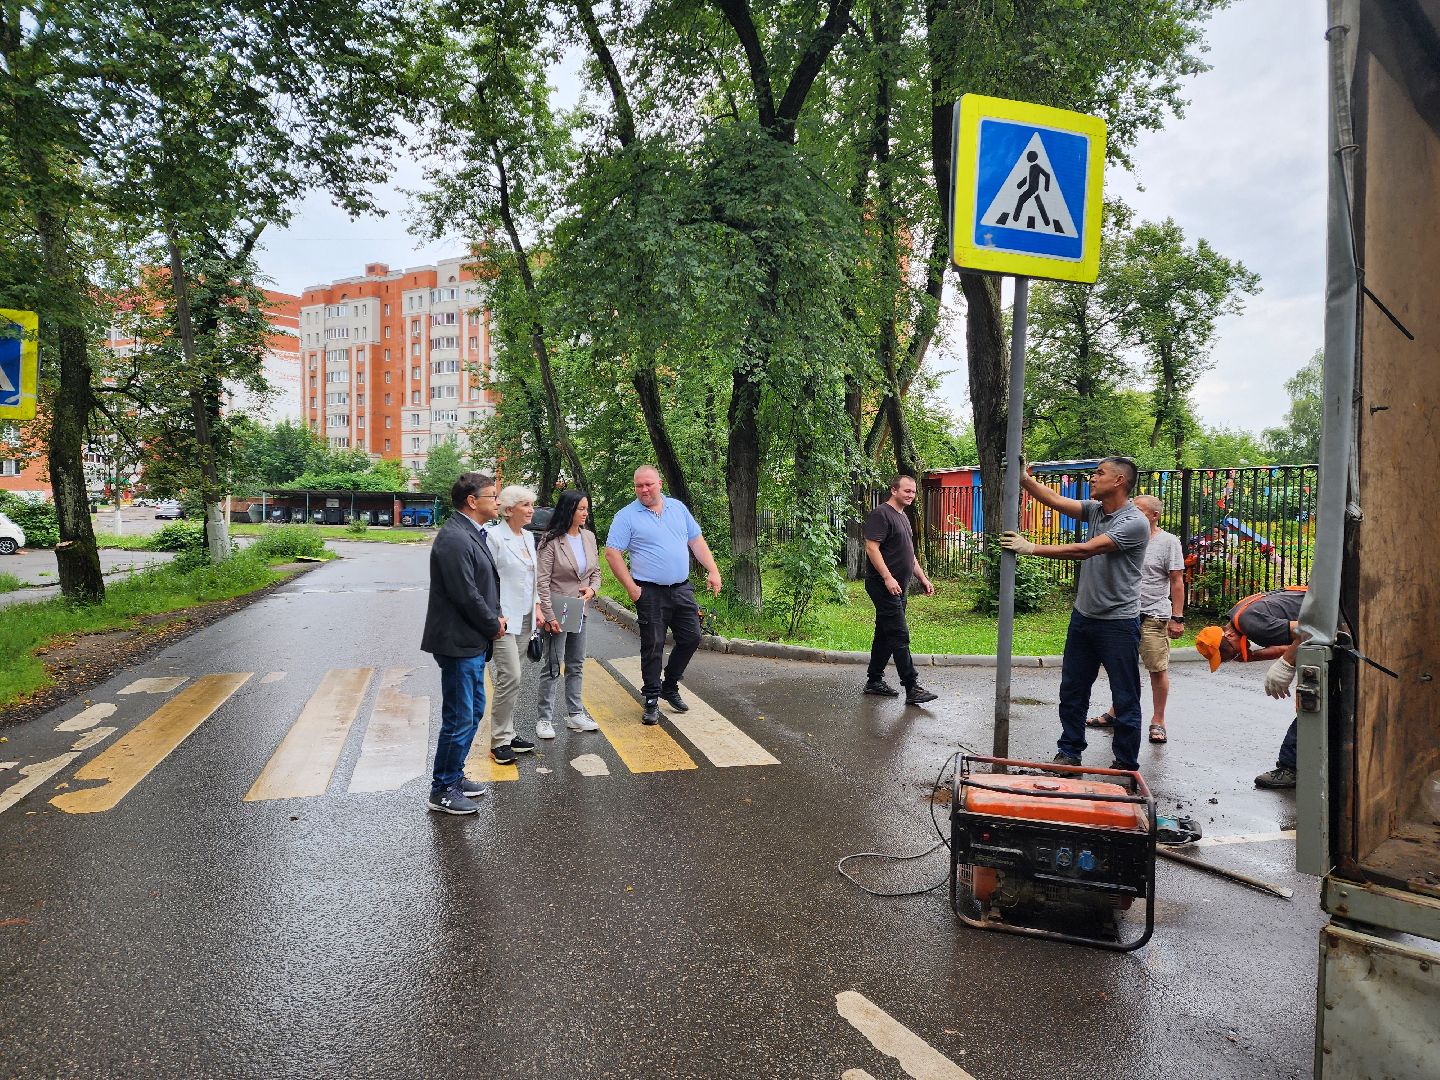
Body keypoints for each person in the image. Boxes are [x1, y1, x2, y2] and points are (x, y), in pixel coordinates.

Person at [1000, 457, 1149, 771]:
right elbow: (1055, 500)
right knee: (1072, 689)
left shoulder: (1134, 522)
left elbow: (1087, 549)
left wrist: (1032, 548)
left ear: (1120, 481)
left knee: (1124, 694)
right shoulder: (1096, 510)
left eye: (1099, 473)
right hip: (1084, 618)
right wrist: (1024, 480)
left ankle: (1125, 764)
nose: (1092, 478)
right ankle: (1069, 751)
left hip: (1118, 623)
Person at [604, 465, 722, 725]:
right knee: (653, 645)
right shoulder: (626, 516)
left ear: (659, 483)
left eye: (649, 484)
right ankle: (651, 699)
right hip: (650, 592)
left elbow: (696, 541)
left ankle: (669, 685)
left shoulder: (677, 508)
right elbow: (612, 553)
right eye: (639, 486)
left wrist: (713, 570)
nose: (644, 490)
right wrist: (632, 589)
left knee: (691, 638)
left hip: (681, 588)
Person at [420, 472, 505, 814]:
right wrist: (493, 623)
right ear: (473, 501)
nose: (497, 501)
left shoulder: (470, 533)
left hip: (470, 640)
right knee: (459, 717)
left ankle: (453, 775)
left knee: (473, 712)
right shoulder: (455, 538)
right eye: (493, 496)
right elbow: (465, 594)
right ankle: (442, 788)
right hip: (458, 641)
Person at [1085, 494, 1185, 744]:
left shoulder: (1168, 542)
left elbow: (1177, 581)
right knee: (1121, 670)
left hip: (1152, 615)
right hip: (1121, 614)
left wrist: (1177, 618)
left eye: (1140, 510)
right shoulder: (1125, 535)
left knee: (1156, 668)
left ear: (1154, 515)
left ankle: (1158, 721)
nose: (1134, 514)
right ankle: (1114, 712)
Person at [1194, 586, 1308, 789]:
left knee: (1309, 703)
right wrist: (1253, 657)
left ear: (1228, 636)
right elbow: (1291, 642)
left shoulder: (1251, 624)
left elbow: (1310, 629)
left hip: (1331, 614)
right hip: (1328, 609)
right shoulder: (1239, 616)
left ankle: (1290, 768)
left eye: (1229, 654)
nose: (1234, 657)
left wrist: (1286, 664)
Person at [861, 474, 938, 705]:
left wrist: (922, 578)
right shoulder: (881, 514)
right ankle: (912, 687)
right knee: (899, 634)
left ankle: (874, 680)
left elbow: (909, 555)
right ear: (894, 490)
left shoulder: (903, 517)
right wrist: (887, 578)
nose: (911, 495)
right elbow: (871, 548)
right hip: (883, 585)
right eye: (907, 491)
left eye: (913, 492)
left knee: (885, 634)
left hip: (899, 587)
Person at [483, 485, 542, 764]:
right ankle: (498, 741)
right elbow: (486, 579)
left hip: (526, 616)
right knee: (511, 676)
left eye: (531, 504)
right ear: (509, 510)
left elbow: (533, 577)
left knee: (515, 678)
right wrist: (493, 614)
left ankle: (509, 732)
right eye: (525, 505)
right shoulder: (493, 537)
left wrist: (539, 606)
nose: (531, 510)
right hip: (503, 618)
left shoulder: (529, 537)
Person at [536, 489, 602, 735]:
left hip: (580, 608)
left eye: (586, 508)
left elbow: (596, 572)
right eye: (581, 509)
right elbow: (542, 581)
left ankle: (575, 715)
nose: (585, 513)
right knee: (553, 664)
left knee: (576, 663)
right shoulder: (551, 541)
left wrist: (592, 591)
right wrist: (549, 616)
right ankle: (544, 718)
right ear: (569, 510)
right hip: (558, 608)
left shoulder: (589, 538)